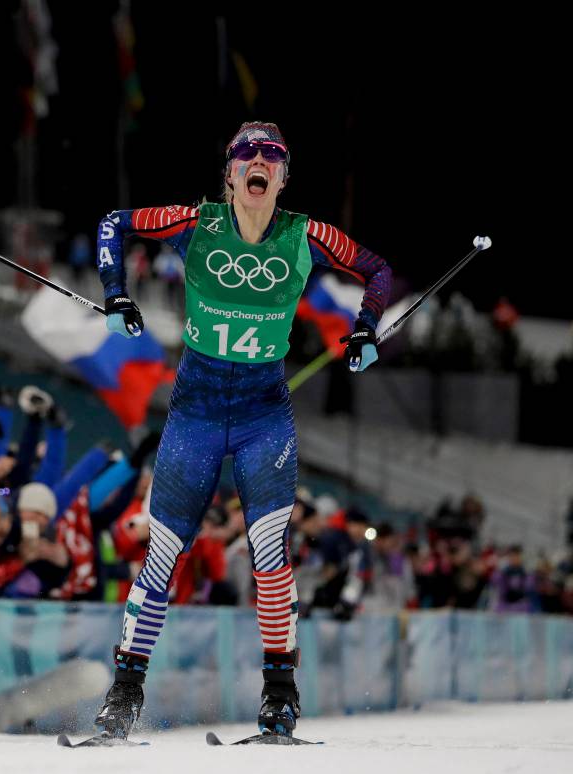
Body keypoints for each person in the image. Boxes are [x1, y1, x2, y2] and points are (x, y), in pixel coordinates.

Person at [88, 121, 392, 742]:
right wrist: (116, 294)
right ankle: (124, 694)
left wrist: (365, 330)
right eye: (247, 154)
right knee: (163, 552)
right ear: (229, 173)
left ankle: (280, 699)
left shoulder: (306, 233)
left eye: (273, 155)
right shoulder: (196, 222)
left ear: (283, 176)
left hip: (262, 414)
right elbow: (112, 225)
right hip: (195, 410)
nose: (259, 161)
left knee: (270, 555)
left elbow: (378, 270)